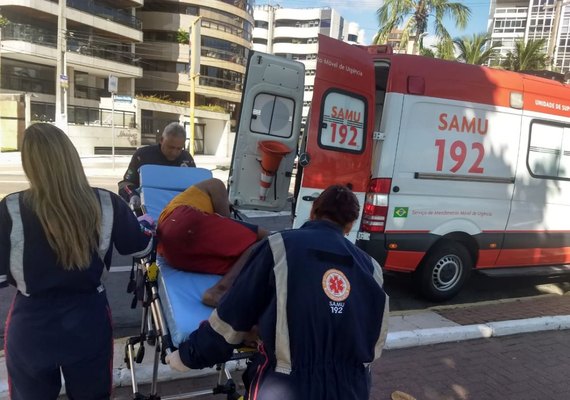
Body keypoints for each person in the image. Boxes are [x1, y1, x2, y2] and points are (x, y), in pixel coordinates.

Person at [165, 184, 389, 400]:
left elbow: (231, 320)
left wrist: (188, 356)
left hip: (286, 387)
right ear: (350, 224)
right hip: (352, 388)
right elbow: (371, 337)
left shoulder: (280, 246)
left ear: (313, 212)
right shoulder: (372, 269)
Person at [0, 123, 155, 400]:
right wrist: (146, 224)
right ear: (71, 157)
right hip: (88, 320)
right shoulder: (107, 203)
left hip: (31, 324)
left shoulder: (10, 209)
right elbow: (142, 247)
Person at [157, 177, 269, 307]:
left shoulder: (186, 200)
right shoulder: (215, 184)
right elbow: (226, 218)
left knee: (247, 258)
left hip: (173, 253)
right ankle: (220, 290)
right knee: (266, 239)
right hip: (182, 223)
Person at [118, 122, 196, 210]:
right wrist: (132, 196)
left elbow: (194, 187)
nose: (174, 152)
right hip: (146, 210)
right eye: (170, 147)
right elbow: (125, 183)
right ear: (161, 140)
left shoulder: (187, 158)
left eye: (179, 148)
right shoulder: (142, 155)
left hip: (179, 210)